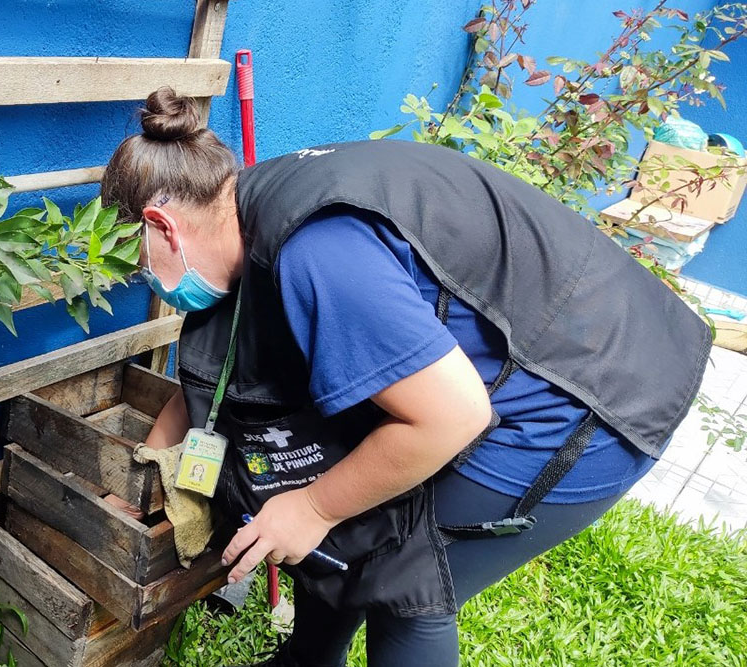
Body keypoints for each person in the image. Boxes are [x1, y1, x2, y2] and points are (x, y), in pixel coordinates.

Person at [99, 87, 710, 667]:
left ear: (162, 226)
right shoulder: (248, 213)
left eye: (135, 262)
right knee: (346, 528)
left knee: (408, 578)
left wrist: (312, 506)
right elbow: (218, 377)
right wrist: (145, 476)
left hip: (584, 394)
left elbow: (452, 416)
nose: (144, 280)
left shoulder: (317, 252)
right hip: (520, 362)